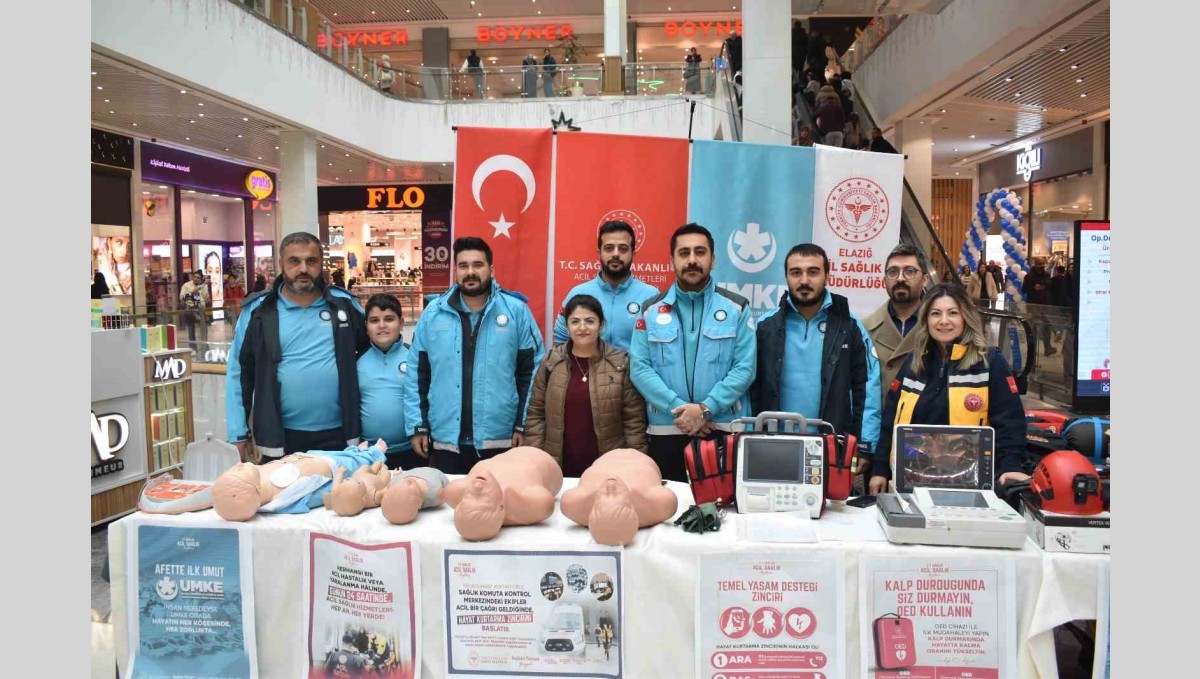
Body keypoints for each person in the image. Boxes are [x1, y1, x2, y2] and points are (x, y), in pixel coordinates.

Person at [868, 283, 1030, 493]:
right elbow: (890, 420)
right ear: (926, 320)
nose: (944, 321)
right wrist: (880, 468)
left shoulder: (990, 363)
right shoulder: (914, 363)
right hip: (911, 482)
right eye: (936, 314)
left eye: (953, 313)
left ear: (965, 317)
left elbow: (1010, 422)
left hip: (972, 486)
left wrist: (1010, 466)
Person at [405, 237, 545, 474]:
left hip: (501, 440)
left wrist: (523, 425)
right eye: (463, 265)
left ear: (491, 269)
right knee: (449, 499)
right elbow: (417, 375)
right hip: (446, 441)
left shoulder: (517, 312)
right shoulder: (433, 314)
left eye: (478, 265)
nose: (470, 272)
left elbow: (532, 373)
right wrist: (417, 425)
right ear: (456, 271)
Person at [629, 223, 757, 483]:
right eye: (684, 253)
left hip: (722, 429)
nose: (692, 260)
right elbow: (640, 368)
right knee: (668, 505)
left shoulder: (737, 308)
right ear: (671, 262)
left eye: (700, 252)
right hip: (667, 430)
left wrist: (706, 410)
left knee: (725, 505)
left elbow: (745, 368)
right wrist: (683, 412)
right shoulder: (650, 310)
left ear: (713, 260)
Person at [226, 232, 369, 461]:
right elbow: (239, 371)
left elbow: (372, 354)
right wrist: (238, 432)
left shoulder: (344, 305)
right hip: (279, 438)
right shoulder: (258, 312)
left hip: (340, 435)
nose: (303, 269)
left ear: (321, 263)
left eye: (311, 261)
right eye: (294, 261)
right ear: (280, 264)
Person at [750, 244, 881, 476]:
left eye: (813, 272)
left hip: (833, 447)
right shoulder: (765, 327)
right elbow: (749, 388)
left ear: (827, 275)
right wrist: (749, 437)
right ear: (786, 276)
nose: (804, 280)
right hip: (773, 445)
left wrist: (865, 445)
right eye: (796, 272)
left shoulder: (850, 326)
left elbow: (868, 387)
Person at [527, 295, 648, 476]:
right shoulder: (551, 362)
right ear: (567, 326)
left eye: (589, 321)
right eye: (575, 321)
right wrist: (534, 463)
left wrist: (635, 467)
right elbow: (536, 414)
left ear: (601, 325)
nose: (582, 327)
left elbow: (633, 421)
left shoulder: (620, 363)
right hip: (559, 466)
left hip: (609, 469)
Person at [552, 220, 659, 351]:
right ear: (599, 253)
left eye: (623, 249)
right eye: (609, 248)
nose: (616, 254)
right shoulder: (578, 293)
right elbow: (561, 339)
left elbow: (658, 346)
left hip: (633, 365)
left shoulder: (651, 296)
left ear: (633, 254)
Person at [358, 294, 424, 471]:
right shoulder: (356, 361)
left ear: (401, 323)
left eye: (389, 319)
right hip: (367, 453)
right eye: (374, 320)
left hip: (410, 451)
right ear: (366, 326)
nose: (382, 325)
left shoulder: (414, 357)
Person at [864, 244, 931, 404]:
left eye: (910, 271)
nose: (900, 278)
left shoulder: (940, 328)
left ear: (925, 280)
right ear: (884, 281)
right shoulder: (865, 328)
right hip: (879, 417)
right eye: (893, 272)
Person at [1022, 258, 1055, 356]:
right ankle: (1032, 350)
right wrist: (1034, 287)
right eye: (1039, 264)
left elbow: (1049, 284)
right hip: (1033, 305)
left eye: (1043, 264)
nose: (1041, 266)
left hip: (1044, 305)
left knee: (1046, 327)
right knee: (1032, 328)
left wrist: (1040, 286)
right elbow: (1024, 289)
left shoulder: (1046, 274)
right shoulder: (1029, 276)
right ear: (1035, 264)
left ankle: (1047, 348)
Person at [179, 270, 211, 350]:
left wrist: (206, 293)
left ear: (201, 279)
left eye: (198, 278)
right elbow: (182, 297)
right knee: (191, 329)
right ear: (192, 277)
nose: (196, 279)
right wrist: (192, 292)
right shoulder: (186, 285)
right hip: (190, 310)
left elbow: (206, 297)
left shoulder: (203, 286)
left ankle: (204, 346)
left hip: (201, 310)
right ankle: (193, 348)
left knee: (204, 329)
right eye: (195, 277)